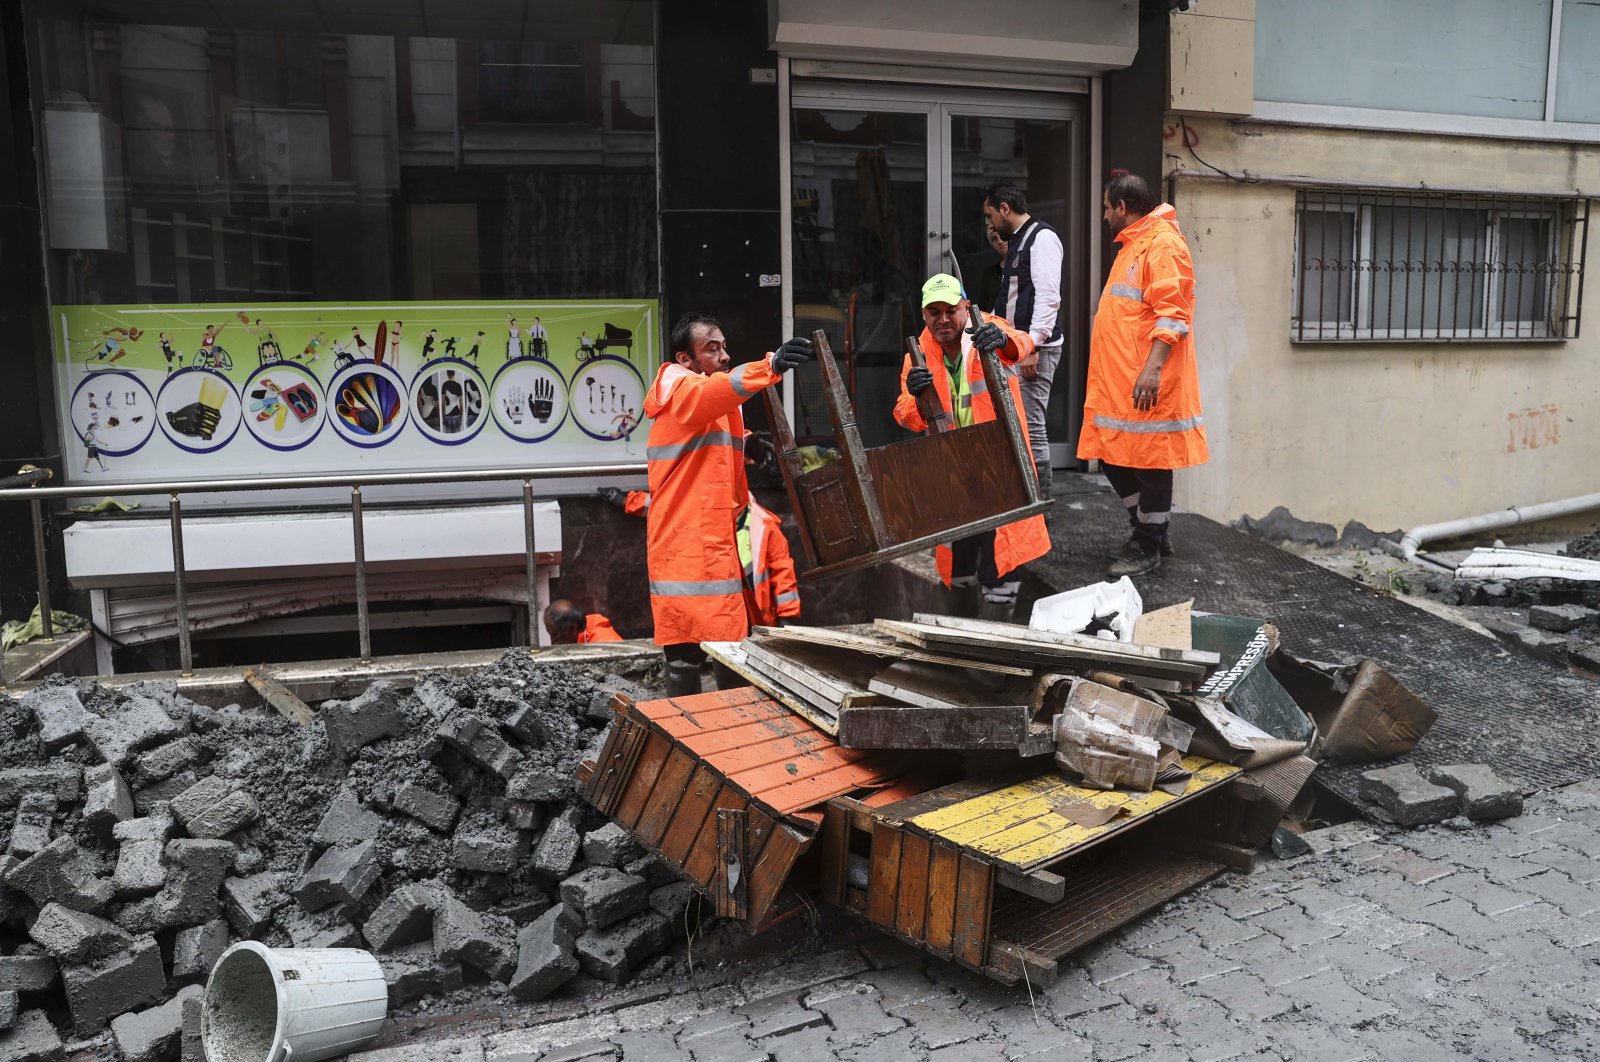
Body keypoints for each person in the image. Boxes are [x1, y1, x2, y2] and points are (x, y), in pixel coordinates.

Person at [644, 313, 811, 697]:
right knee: (707, 645)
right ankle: (707, 732)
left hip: (698, 538)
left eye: (724, 346)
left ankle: (703, 731)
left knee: (716, 642)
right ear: (685, 359)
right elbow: (712, 397)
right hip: (689, 544)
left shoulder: (690, 394)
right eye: (711, 348)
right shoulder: (683, 388)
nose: (723, 355)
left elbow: (709, 428)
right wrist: (769, 365)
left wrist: (746, 443)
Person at [895, 274, 1051, 620]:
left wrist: (1003, 341)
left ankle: (997, 652)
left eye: (951, 310)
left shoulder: (987, 329)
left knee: (1001, 555)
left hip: (999, 464)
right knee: (957, 560)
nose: (943, 319)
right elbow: (905, 414)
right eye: (934, 312)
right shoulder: (918, 354)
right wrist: (917, 399)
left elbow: (1021, 344)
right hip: (953, 472)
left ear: (966, 306)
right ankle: (959, 645)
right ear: (924, 315)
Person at [1081, 173, 1207, 578]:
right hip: (1122, 381)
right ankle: (1150, 527)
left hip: (1145, 380)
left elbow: (1174, 312)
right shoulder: (1135, 245)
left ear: (1122, 206)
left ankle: (1148, 543)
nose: (1104, 216)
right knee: (1115, 456)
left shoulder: (1162, 245)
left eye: (1106, 207)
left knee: (1151, 462)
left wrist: (1152, 369)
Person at [601, 487, 801, 628]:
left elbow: (783, 571)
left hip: (755, 616)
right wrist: (625, 500)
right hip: (719, 611)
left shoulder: (763, 525)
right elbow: (666, 506)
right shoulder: (709, 510)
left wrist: (787, 617)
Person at [983, 182, 1065, 498]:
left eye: (990, 216)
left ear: (1005, 209)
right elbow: (1013, 298)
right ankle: (1028, 498)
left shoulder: (1041, 238)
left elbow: (1047, 296)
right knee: (1020, 422)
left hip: (1031, 350)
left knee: (1031, 426)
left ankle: (1040, 503)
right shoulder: (1020, 240)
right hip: (1019, 347)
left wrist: (1034, 345)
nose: (989, 225)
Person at [544, 599, 624, 644]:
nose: (552, 640)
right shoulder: (571, 636)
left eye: (555, 635)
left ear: (573, 629)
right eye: (550, 634)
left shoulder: (603, 641)